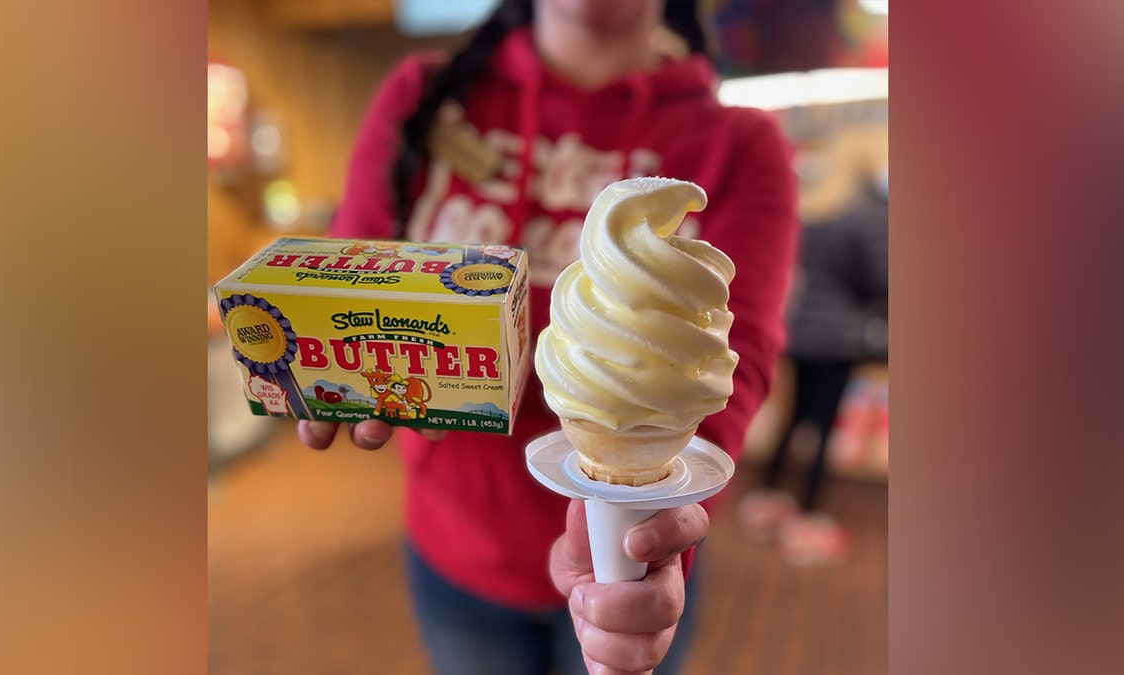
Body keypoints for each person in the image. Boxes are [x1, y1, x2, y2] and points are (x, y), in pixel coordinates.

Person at [298, 0, 798, 672]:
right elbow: (352, 276)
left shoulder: (740, 140)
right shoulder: (424, 98)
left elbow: (739, 356)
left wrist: (658, 531)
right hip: (456, 550)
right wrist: (332, 360)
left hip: (634, 559)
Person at [739, 159, 888, 567]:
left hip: (801, 330)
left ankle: (768, 496)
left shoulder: (813, 214)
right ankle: (806, 514)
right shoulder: (864, 220)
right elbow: (877, 279)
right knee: (821, 429)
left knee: (792, 419)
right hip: (839, 339)